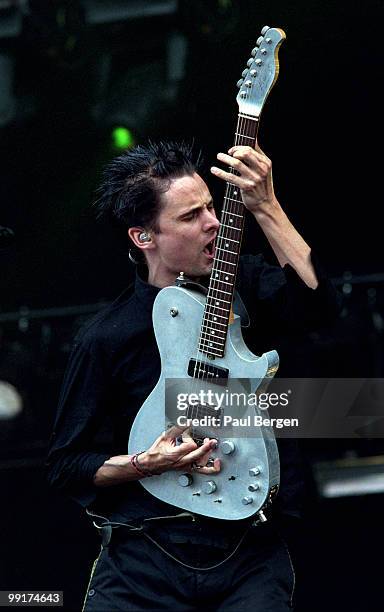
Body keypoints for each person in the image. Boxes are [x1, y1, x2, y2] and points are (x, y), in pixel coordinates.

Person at [47, 140, 340, 611]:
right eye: (190, 216)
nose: (214, 223)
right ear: (144, 237)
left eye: (211, 206)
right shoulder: (106, 337)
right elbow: (67, 465)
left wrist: (265, 205)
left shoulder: (243, 284)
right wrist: (146, 463)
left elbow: (322, 308)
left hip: (249, 553)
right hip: (144, 555)